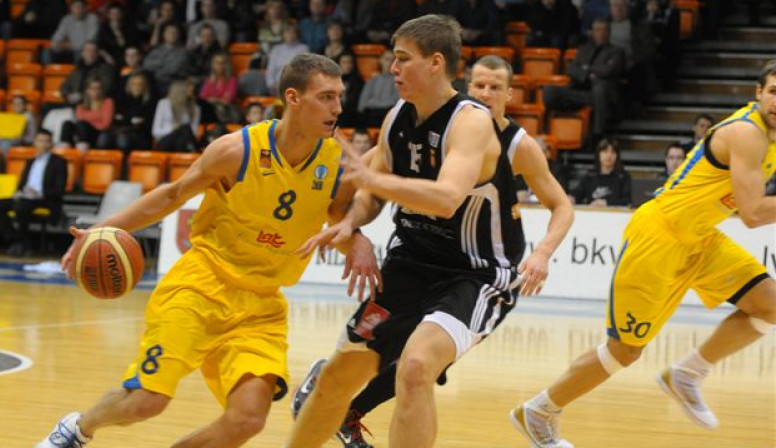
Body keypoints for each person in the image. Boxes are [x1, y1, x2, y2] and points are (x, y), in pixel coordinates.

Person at [35, 53, 381, 448]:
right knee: (147, 401)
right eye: (326, 97)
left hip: (261, 304)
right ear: (293, 98)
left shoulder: (335, 161)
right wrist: (98, 231)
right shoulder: (237, 150)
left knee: (247, 420)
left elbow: (337, 218)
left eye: (339, 97)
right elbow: (171, 195)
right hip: (200, 286)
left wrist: (358, 241)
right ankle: (77, 429)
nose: (337, 108)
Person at [285, 15, 572, 448]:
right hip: (408, 263)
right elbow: (371, 195)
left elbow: (446, 197)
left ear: (435, 63)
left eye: (402, 59)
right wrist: (350, 225)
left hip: (474, 273)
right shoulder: (398, 116)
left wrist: (542, 252)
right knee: (336, 379)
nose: (392, 68)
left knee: (417, 366)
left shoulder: (470, 122)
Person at [511, 59, 776, 448]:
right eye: (773, 91)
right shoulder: (747, 133)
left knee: (769, 303)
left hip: (700, 236)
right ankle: (539, 411)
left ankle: (687, 374)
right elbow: (752, 213)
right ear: (758, 93)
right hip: (660, 235)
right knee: (624, 351)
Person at [0, 129, 66, 257]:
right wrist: (19, 191)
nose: (43, 144)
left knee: (21, 206)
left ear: (50, 144)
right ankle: (16, 239)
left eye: (46, 141)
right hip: (26, 197)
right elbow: (23, 183)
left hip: (45, 199)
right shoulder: (30, 161)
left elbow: (59, 189)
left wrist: (39, 193)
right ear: (35, 142)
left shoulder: (59, 162)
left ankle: (24, 244)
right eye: (40, 141)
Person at [543, 17, 625, 139]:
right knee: (550, 90)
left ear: (609, 33)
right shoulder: (584, 50)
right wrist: (589, 75)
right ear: (592, 32)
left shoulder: (616, 51)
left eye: (604, 30)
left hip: (600, 96)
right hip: (578, 92)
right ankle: (548, 130)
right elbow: (571, 70)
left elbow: (607, 71)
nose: (601, 33)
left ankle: (598, 135)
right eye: (598, 30)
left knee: (599, 89)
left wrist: (585, 68)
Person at [572, 138, 632, 207]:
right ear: (598, 154)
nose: (609, 155)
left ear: (617, 156)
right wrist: (572, 198)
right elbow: (577, 193)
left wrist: (606, 203)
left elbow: (627, 200)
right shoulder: (590, 176)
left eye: (613, 152)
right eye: (605, 151)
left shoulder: (624, 177)